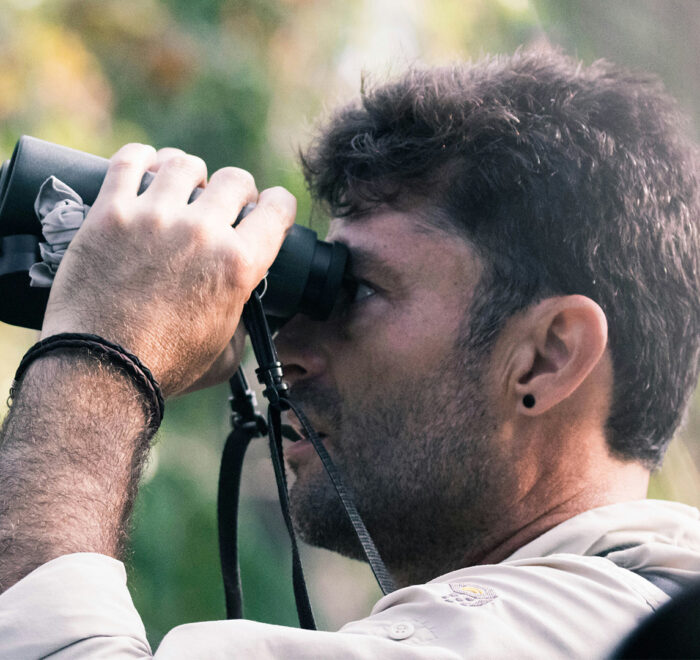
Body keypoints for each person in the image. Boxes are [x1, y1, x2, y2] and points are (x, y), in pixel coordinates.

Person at [0, 46, 699, 658]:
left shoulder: (546, 632)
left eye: (356, 292)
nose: (288, 347)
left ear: (547, 357)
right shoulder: (638, 612)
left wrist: (101, 353)